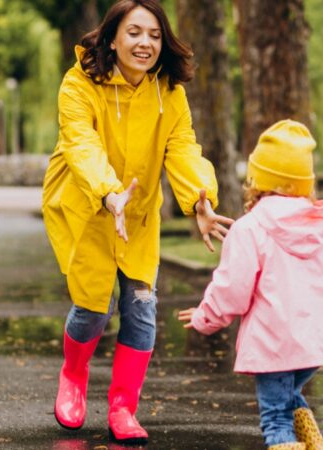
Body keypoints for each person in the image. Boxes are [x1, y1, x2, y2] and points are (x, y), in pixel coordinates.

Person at [41, 0, 233, 445]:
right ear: (112, 38)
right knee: (92, 309)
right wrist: (108, 192)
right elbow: (80, 143)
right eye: (134, 32)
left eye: (154, 35)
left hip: (139, 211)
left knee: (141, 310)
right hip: (87, 203)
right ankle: (73, 374)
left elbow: (183, 148)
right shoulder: (79, 84)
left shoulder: (169, 93)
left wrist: (200, 198)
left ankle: (123, 407)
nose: (145, 43)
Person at [178, 120, 323, 450]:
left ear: (256, 181)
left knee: (276, 418)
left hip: (273, 345)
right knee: (290, 399)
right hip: (313, 348)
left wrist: (203, 318)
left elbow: (231, 290)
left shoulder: (250, 228)